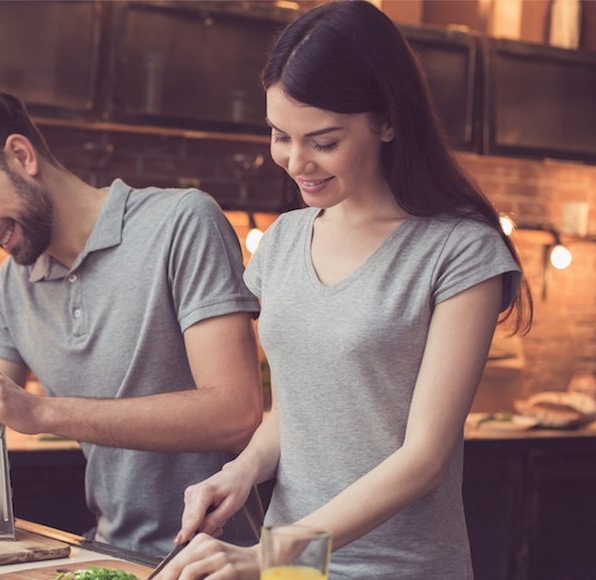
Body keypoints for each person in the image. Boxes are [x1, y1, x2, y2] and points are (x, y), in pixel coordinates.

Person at [154, 2, 533, 579]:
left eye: (324, 142)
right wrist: (242, 469)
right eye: (281, 136)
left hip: (398, 569)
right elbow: (300, 409)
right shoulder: (282, 241)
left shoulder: (459, 252)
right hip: (290, 570)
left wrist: (268, 556)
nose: (296, 162)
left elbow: (424, 459)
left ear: (387, 120)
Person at [0, 88, 265, 557]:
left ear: (21, 155)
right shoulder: (11, 287)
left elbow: (235, 414)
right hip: (106, 554)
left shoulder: (181, 223)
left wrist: (42, 412)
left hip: (217, 560)